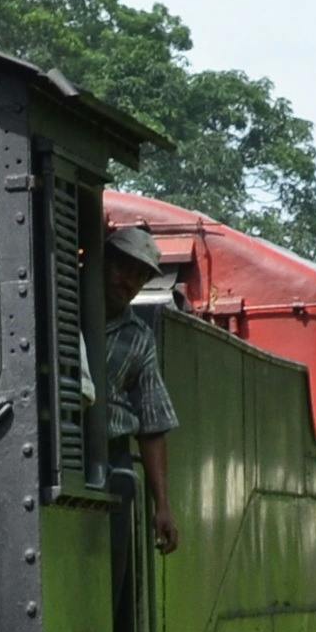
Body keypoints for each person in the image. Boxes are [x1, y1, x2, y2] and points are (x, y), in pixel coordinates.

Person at [96, 229, 180, 552]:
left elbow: (152, 424)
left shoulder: (140, 339)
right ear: (102, 262)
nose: (129, 283)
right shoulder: (59, 304)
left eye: (140, 277)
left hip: (111, 459)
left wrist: (163, 506)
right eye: (123, 269)